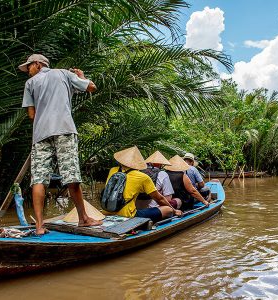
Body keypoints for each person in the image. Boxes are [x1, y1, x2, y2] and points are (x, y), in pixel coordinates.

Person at [18, 54, 102, 234]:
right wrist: (81, 77)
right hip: (64, 129)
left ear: (38, 65)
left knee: (39, 178)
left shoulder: (30, 84)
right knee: (71, 174)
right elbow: (91, 87)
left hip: (40, 134)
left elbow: (31, 115)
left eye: (29, 67)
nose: (28, 72)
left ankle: (40, 226)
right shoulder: (63, 74)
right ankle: (84, 219)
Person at [104, 146, 182, 223]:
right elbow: (160, 199)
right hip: (127, 215)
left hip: (107, 210)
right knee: (168, 209)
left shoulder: (113, 170)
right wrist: (175, 211)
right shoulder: (142, 177)